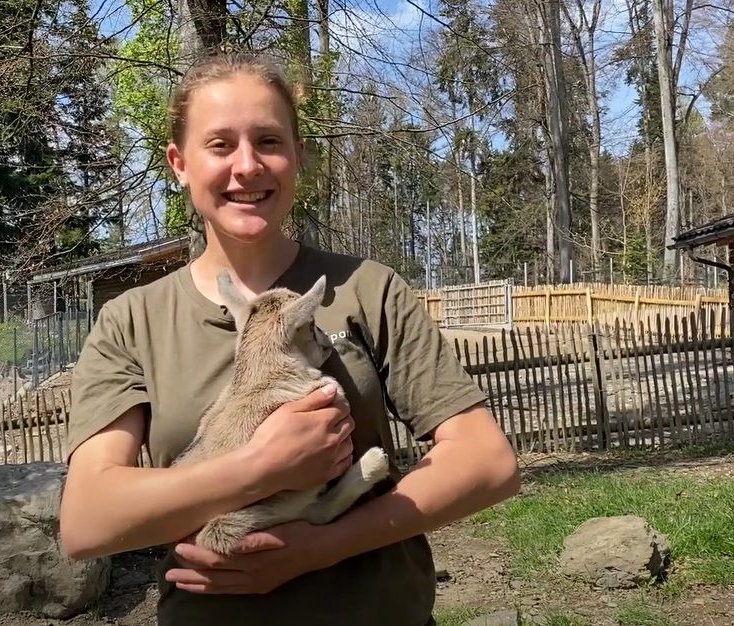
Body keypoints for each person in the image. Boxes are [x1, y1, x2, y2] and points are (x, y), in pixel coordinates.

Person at [59, 52, 521, 626]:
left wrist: (321, 547)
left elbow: (486, 463)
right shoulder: (132, 321)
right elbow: (87, 522)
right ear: (179, 162)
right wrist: (263, 465)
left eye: (270, 141)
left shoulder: (368, 290)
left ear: (298, 156)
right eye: (220, 144)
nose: (247, 166)